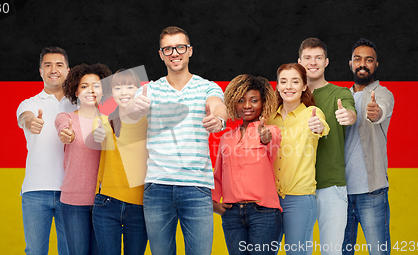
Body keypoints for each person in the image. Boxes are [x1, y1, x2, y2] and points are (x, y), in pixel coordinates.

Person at [129, 26, 228, 255]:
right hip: (157, 188)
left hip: (196, 187)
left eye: (180, 47)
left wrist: (218, 119)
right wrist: (135, 108)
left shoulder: (207, 87)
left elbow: (217, 105)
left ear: (190, 51)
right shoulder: (149, 90)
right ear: (161, 54)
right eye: (168, 49)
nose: (175, 53)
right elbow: (130, 114)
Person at [297, 38, 357, 255]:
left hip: (331, 185)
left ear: (326, 62)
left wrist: (347, 115)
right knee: (297, 250)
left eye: (318, 58)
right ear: (299, 62)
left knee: (331, 251)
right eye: (308, 58)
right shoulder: (290, 96)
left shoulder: (340, 94)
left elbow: (350, 113)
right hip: (297, 187)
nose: (313, 63)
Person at [212, 74, 282, 255]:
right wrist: (213, 202)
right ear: (234, 102)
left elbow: (271, 141)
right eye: (241, 100)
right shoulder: (226, 138)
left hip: (263, 213)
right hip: (232, 215)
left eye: (254, 100)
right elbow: (218, 175)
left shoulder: (271, 131)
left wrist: (265, 137)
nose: (247, 106)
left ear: (263, 102)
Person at [16, 46, 74, 255]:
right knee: (35, 251)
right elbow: (25, 117)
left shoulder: (77, 104)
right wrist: (31, 122)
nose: (53, 69)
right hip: (35, 190)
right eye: (47, 65)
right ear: (40, 71)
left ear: (68, 70)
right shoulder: (29, 103)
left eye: (59, 65)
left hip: (70, 192)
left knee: (69, 251)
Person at [268, 63, 330, 255]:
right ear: (277, 86)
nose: (289, 87)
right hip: (270, 199)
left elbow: (322, 127)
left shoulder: (312, 114)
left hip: (300, 199)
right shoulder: (269, 118)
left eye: (295, 81)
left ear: (304, 86)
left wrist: (318, 126)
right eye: (283, 81)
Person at [342, 39, 394, 255]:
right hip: (340, 194)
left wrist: (376, 112)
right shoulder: (340, 97)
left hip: (372, 192)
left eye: (369, 60)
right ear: (350, 63)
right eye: (358, 59)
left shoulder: (382, 94)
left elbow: (381, 109)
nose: (363, 64)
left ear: (376, 65)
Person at [54, 63, 112, 255]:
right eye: (84, 86)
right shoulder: (66, 117)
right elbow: (63, 130)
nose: (91, 90)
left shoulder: (111, 122)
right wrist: (66, 134)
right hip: (73, 202)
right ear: (76, 92)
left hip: (103, 203)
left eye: (96, 85)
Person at [91, 68, 148, 254]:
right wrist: (97, 135)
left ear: (139, 90)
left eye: (130, 87)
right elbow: (97, 134)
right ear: (112, 93)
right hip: (107, 204)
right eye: (118, 88)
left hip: (140, 206)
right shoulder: (103, 121)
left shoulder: (150, 122)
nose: (124, 92)